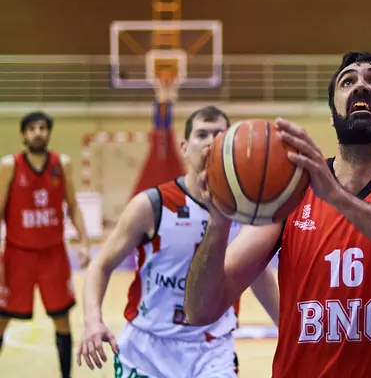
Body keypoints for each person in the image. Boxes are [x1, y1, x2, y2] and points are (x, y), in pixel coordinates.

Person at [184, 53, 371, 377]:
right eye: (348, 82)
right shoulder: (292, 193)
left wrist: (338, 197)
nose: (360, 85)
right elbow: (200, 309)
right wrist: (218, 222)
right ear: (333, 116)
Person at [76, 106, 280, 377]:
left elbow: (258, 276)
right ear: (184, 147)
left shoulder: (247, 209)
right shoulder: (152, 205)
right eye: (201, 134)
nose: (210, 142)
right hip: (147, 348)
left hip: (212, 350)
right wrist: (92, 320)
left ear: (231, 145)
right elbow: (100, 264)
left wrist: (290, 329)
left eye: (219, 135)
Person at [0, 111, 90, 378]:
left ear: (48, 132)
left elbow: (72, 205)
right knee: (2, 319)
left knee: (62, 318)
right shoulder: (10, 165)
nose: (38, 132)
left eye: (42, 127)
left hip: (53, 254)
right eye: (31, 128)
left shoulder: (62, 163)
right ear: (23, 134)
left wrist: (84, 241)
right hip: (18, 255)